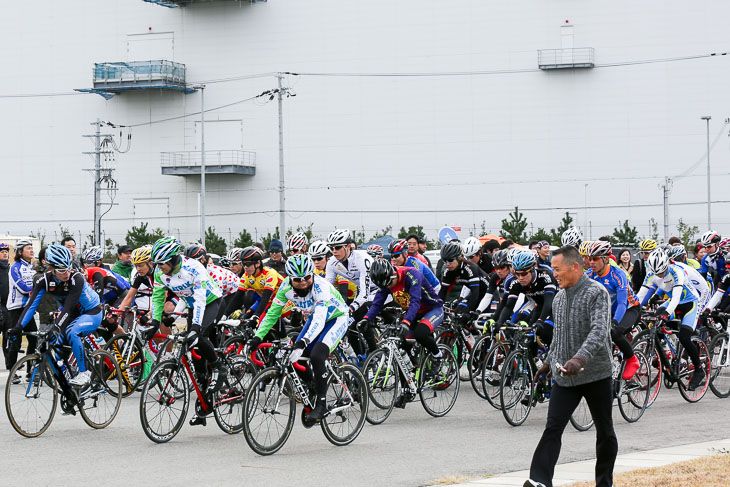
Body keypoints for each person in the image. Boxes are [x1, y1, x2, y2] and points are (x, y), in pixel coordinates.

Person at [526, 246, 617, 487]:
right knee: (552, 428)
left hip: (595, 374)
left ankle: (604, 483)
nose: (554, 274)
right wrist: (546, 364)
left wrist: (579, 359)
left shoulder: (596, 293)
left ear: (574, 267)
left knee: (605, 432)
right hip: (565, 376)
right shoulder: (558, 298)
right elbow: (558, 337)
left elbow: (599, 331)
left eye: (557, 269)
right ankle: (540, 481)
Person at [248, 254, 349, 421]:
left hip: (336, 318)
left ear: (312, 274)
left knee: (317, 355)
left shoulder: (321, 286)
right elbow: (273, 314)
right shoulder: (285, 288)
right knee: (295, 358)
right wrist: (258, 337)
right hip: (314, 318)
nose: (303, 282)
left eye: (307, 277)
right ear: (290, 278)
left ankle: (322, 405)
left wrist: (303, 341)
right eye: (297, 279)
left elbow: (320, 319)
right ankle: (312, 388)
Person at [148, 237, 226, 425]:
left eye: (162, 264)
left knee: (197, 336)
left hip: (211, 303)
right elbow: (158, 299)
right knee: (194, 351)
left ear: (173, 259)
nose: (158, 268)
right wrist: (155, 323)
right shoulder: (160, 274)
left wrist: (196, 328)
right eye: (156, 264)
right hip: (192, 306)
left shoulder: (194, 268)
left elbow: (200, 299)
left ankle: (219, 367)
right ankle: (204, 401)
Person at [9, 245, 103, 387]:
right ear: (51, 269)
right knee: (55, 348)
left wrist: (57, 326)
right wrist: (18, 327)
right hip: (71, 314)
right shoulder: (44, 281)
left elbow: (69, 306)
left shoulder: (76, 278)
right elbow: (31, 306)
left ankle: (84, 373)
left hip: (91, 312)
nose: (67, 273)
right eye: (61, 270)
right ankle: (69, 391)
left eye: (68, 267)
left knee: (72, 332)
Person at [364, 258, 444, 393]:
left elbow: (415, 301)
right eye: (385, 286)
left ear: (393, 274)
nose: (389, 287)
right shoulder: (386, 282)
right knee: (401, 351)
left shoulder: (412, 275)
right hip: (414, 313)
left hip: (432, 309)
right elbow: (377, 303)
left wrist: (406, 322)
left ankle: (437, 356)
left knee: (420, 334)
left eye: (390, 283)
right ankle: (406, 390)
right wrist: (366, 319)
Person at [636, 249, 706, 390]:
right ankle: (668, 358)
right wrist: (632, 310)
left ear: (666, 265)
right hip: (674, 303)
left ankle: (699, 370)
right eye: (657, 273)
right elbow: (640, 296)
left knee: (684, 337)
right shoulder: (652, 274)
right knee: (655, 322)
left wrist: (667, 313)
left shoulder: (677, 272)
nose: (659, 276)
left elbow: (675, 297)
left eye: (661, 272)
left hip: (690, 303)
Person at [584, 241, 641, 379]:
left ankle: (632, 359)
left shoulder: (618, 274)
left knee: (615, 332)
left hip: (629, 309)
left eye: (595, 258)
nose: (591, 262)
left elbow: (622, 303)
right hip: (608, 311)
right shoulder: (589, 275)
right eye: (590, 258)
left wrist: (615, 322)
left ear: (605, 259)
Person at [496, 250, 557, 346]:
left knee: (546, 331)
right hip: (539, 306)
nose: (520, 278)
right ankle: (535, 360)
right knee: (529, 338)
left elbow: (549, 302)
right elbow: (508, 306)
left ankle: (553, 356)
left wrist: (540, 321)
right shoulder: (516, 283)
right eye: (517, 274)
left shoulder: (545, 276)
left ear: (532, 270)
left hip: (554, 306)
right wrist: (499, 322)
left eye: (524, 274)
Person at [4, 240, 37, 382]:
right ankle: (12, 371)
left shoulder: (33, 267)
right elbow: (23, 288)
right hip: (15, 308)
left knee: (34, 339)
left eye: (32, 248)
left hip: (28, 308)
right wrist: (36, 291)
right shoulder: (15, 267)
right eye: (28, 248)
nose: (31, 250)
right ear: (19, 252)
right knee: (15, 341)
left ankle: (30, 371)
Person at [438, 241, 489, 320]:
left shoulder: (470, 268)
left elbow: (475, 293)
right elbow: (443, 292)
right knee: (456, 315)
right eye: (444, 260)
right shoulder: (448, 272)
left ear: (459, 258)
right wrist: (438, 308)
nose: (447, 264)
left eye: (450, 260)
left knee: (471, 318)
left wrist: (467, 312)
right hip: (473, 294)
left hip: (488, 294)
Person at [0, 243, 9, 365]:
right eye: (2, 251)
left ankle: (9, 363)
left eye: (6, 251)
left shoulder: (10, 268)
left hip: (8, 307)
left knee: (8, 337)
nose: (5, 253)